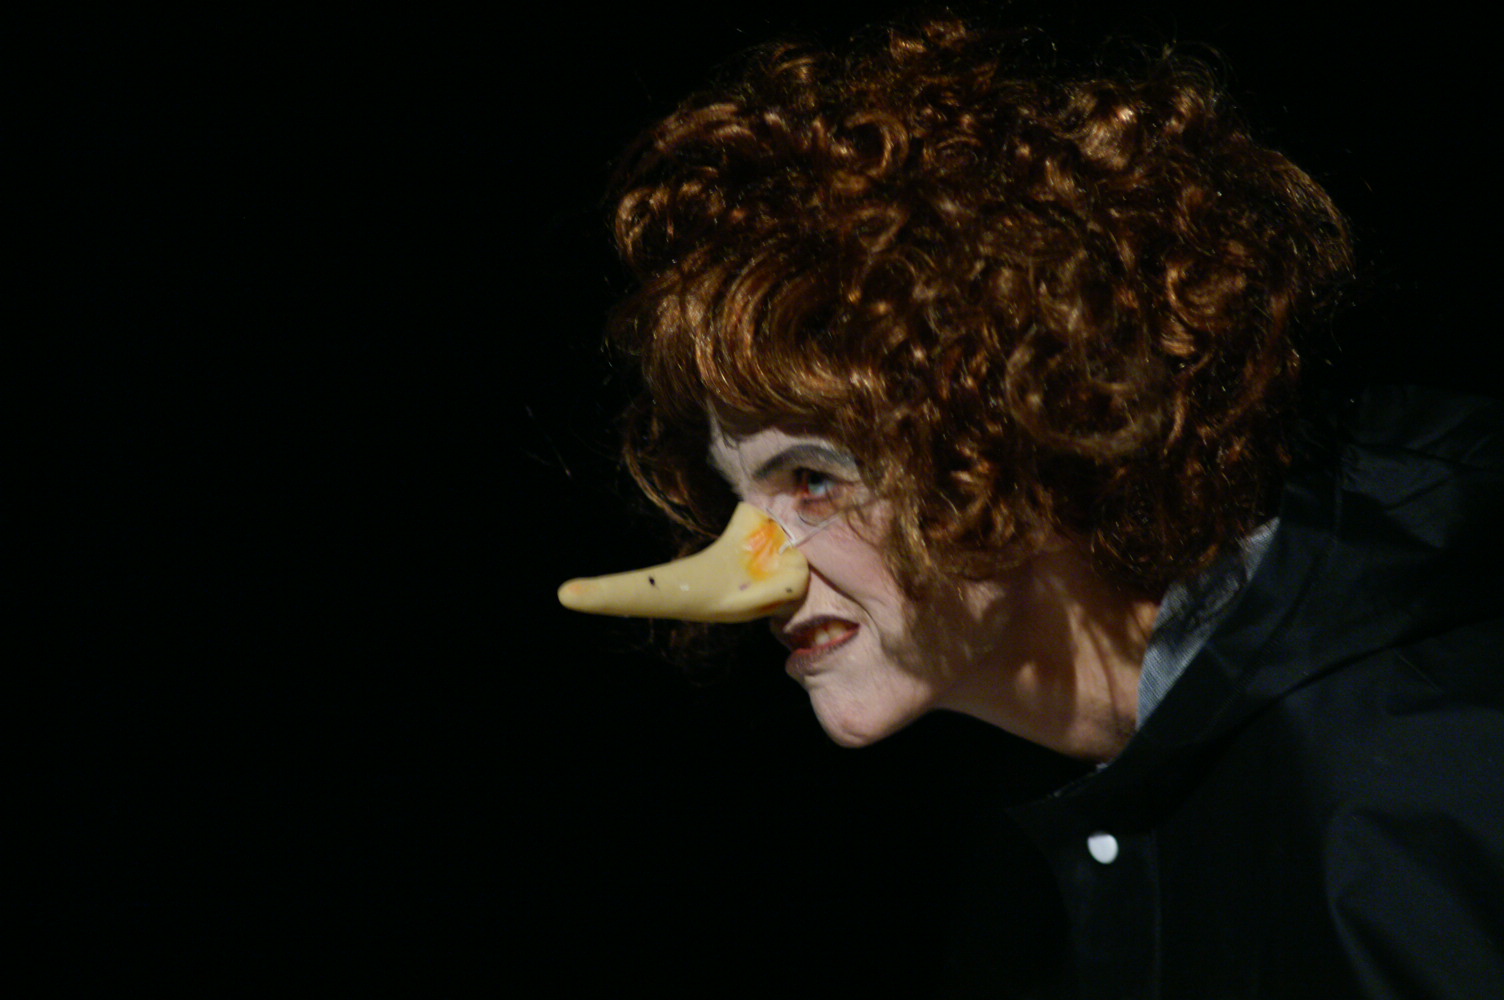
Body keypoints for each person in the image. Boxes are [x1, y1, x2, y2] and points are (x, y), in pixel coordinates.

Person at [562, 13, 1504, 997]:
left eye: (812, 480)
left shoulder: (1409, 799)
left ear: (1033, 430)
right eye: (734, 496)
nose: (747, 572)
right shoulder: (1060, 833)